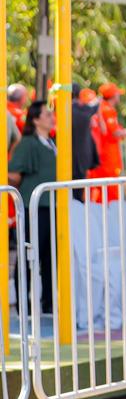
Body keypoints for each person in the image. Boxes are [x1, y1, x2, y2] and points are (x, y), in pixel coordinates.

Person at [8, 101, 57, 314]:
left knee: (49, 256)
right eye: (47, 114)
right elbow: (13, 173)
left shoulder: (53, 142)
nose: (51, 117)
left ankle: (47, 302)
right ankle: (23, 304)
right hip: (33, 206)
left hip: (52, 205)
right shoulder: (28, 143)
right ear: (35, 119)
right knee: (29, 254)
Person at [88, 82, 126, 202]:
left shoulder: (101, 108)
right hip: (108, 156)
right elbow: (114, 132)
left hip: (101, 154)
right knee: (110, 191)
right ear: (113, 96)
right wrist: (122, 132)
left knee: (101, 190)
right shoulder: (107, 110)